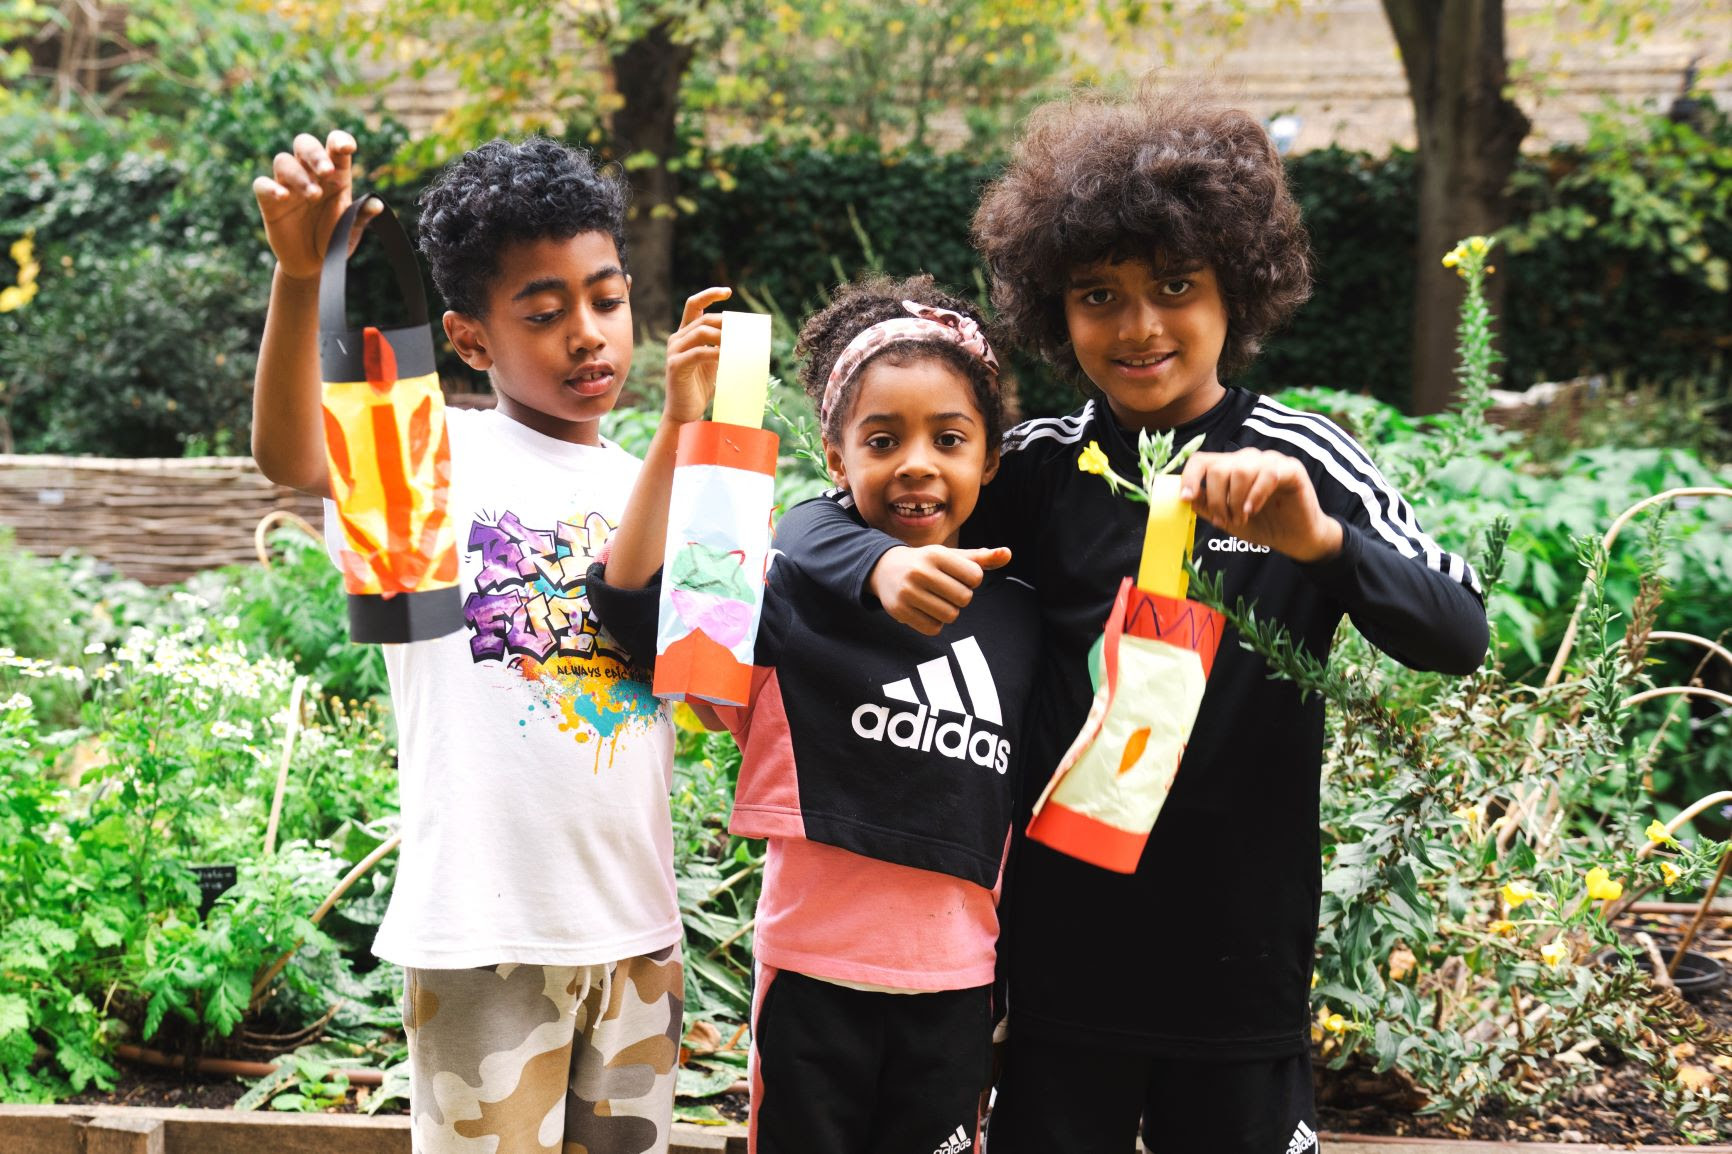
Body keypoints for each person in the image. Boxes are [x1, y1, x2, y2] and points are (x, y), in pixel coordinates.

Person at [773, 90, 1490, 1154]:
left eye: (1174, 287)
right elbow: (811, 523)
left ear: (1234, 290)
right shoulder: (1038, 468)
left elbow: (1459, 629)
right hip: (1061, 975)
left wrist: (1321, 544)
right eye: (1097, 294)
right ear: (1053, 310)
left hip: (1239, 972)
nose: (1139, 325)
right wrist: (879, 564)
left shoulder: (1305, 459)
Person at [250, 129, 728, 1154]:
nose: (588, 335)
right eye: (545, 313)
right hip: (484, 936)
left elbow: (711, 679)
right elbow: (292, 450)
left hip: (639, 934)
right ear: (469, 340)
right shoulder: (433, 463)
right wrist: (301, 278)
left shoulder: (663, 483)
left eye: (605, 300)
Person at [588, 275, 1039, 1154]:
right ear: (836, 460)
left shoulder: (1022, 613)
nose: (916, 461)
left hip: (957, 987)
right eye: (882, 438)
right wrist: (686, 424)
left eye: (949, 438)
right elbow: (633, 603)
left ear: (989, 459)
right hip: (811, 978)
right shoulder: (786, 591)